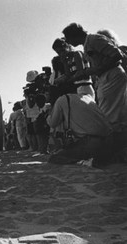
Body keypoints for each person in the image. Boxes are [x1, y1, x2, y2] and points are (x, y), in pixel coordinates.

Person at [63, 23, 127, 161]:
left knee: (109, 115)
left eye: (68, 38)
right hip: (105, 77)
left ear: (75, 35)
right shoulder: (88, 44)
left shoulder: (94, 39)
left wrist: (98, 69)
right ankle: (118, 151)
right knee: (114, 114)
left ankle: (111, 153)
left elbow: (117, 55)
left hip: (111, 75)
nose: (68, 42)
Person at [48, 93, 112, 166]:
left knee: (55, 158)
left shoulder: (62, 99)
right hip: (108, 140)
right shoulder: (88, 97)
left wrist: (48, 117)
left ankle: (85, 162)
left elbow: (53, 123)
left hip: (90, 143)